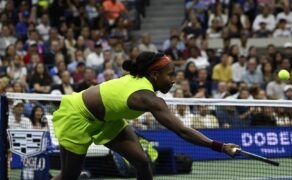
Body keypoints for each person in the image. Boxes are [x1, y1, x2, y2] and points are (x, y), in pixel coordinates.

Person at [51, 51, 239, 180]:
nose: (174, 80)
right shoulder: (146, 98)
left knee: (142, 161)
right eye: (170, 75)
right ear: (155, 75)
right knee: (69, 177)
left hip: (108, 119)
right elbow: (182, 131)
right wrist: (220, 147)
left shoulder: (143, 80)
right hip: (77, 117)